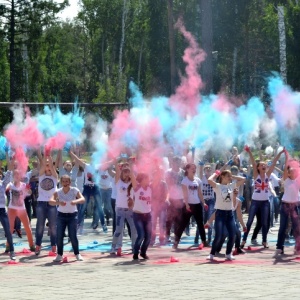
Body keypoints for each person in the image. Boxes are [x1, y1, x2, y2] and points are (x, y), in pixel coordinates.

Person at [241, 146, 285, 249]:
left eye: (265, 165)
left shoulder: (268, 175)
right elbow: (252, 162)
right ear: (258, 167)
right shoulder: (256, 175)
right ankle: (243, 240)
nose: (264, 166)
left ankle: (264, 241)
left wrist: (280, 153)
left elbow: (274, 163)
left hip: (265, 202)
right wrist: (250, 152)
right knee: (250, 221)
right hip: (255, 201)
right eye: (262, 165)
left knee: (265, 222)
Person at [207, 169, 245, 261]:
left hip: (229, 213)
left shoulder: (231, 186)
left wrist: (233, 176)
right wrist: (216, 174)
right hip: (220, 213)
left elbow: (243, 179)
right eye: (228, 176)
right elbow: (209, 180)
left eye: (230, 176)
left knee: (232, 234)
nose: (229, 178)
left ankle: (228, 253)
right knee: (218, 235)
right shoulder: (218, 186)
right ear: (222, 177)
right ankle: (212, 253)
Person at [49, 175, 85, 262]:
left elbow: (82, 199)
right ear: (61, 183)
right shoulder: (58, 191)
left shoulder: (74, 190)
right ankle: (59, 254)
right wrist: (59, 202)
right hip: (61, 216)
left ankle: (77, 254)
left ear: (70, 182)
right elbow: (50, 201)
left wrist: (75, 201)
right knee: (59, 236)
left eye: (67, 181)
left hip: (72, 216)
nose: (65, 183)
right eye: (63, 181)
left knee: (72, 236)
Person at [173, 163, 208, 249]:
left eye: (195, 168)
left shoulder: (198, 180)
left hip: (197, 205)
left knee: (200, 223)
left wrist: (203, 203)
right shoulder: (185, 181)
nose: (194, 170)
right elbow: (185, 194)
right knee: (183, 224)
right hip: (188, 205)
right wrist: (187, 205)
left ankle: (204, 241)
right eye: (192, 168)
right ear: (187, 169)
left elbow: (199, 192)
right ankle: (176, 242)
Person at [273, 153, 300, 257]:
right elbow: (285, 168)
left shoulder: (298, 180)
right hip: (285, 205)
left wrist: (296, 162)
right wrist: (287, 157)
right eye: (290, 170)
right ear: (288, 173)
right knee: (282, 227)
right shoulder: (286, 179)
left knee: (297, 228)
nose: (292, 171)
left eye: (294, 170)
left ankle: (297, 248)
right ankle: (279, 248)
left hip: (295, 205)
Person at [110, 160, 137, 255]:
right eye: (124, 172)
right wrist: (115, 161)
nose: (126, 174)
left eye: (127, 172)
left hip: (130, 210)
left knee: (134, 228)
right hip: (120, 209)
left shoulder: (132, 183)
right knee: (119, 229)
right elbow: (117, 171)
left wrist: (130, 169)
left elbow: (134, 180)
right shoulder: (118, 182)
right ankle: (115, 246)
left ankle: (134, 246)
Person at [7, 166, 35, 252]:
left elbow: (29, 193)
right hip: (11, 209)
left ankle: (31, 245)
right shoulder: (10, 184)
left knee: (27, 227)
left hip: (22, 209)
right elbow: (5, 188)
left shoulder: (24, 185)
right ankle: (8, 246)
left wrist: (28, 189)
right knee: (10, 228)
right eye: (15, 174)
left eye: (18, 174)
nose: (16, 176)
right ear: (13, 176)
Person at [35, 152, 58, 255]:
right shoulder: (41, 175)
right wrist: (46, 156)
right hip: (41, 203)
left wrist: (49, 157)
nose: (47, 166)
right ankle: (38, 245)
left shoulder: (55, 176)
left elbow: (52, 169)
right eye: (46, 164)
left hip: (52, 204)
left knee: (53, 226)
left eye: (49, 164)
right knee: (40, 225)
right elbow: (43, 165)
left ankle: (54, 245)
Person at [130, 163, 152, 260]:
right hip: (138, 215)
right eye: (146, 178)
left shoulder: (150, 188)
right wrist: (131, 165)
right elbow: (132, 177)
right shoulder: (137, 188)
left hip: (148, 215)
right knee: (141, 235)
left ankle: (143, 252)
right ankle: (135, 252)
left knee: (148, 236)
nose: (148, 180)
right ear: (142, 180)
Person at [165, 156, 185, 243]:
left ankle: (177, 236)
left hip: (181, 198)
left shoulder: (183, 173)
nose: (177, 164)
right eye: (175, 162)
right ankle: (167, 235)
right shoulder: (168, 172)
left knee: (179, 219)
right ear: (172, 163)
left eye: (179, 162)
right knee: (169, 218)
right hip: (171, 198)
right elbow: (166, 185)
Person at [195, 162, 215, 245]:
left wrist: (213, 167)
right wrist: (201, 165)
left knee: (210, 219)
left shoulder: (212, 178)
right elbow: (199, 171)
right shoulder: (201, 178)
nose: (208, 170)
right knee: (201, 220)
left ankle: (209, 239)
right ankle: (197, 238)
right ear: (204, 170)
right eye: (207, 169)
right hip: (203, 201)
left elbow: (215, 171)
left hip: (210, 201)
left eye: (210, 169)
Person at [0, 159, 16, 260]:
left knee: (8, 231)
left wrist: (11, 161)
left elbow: (9, 171)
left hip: (2, 210)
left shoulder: (3, 183)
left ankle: (12, 251)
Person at [150, 167, 168, 246]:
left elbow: (167, 193)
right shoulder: (150, 184)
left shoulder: (163, 183)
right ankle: (152, 239)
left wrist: (166, 200)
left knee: (161, 223)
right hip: (153, 207)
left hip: (162, 206)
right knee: (153, 223)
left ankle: (161, 239)